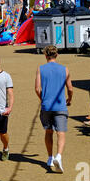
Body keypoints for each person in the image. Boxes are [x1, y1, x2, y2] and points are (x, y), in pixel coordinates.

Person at [35, 45, 73, 173]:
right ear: (57, 55)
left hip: (46, 105)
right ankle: (59, 156)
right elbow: (70, 88)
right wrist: (69, 99)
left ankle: (50, 157)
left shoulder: (40, 69)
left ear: (45, 55)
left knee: (48, 131)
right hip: (60, 104)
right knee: (61, 132)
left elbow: (37, 88)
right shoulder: (64, 69)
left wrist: (43, 98)